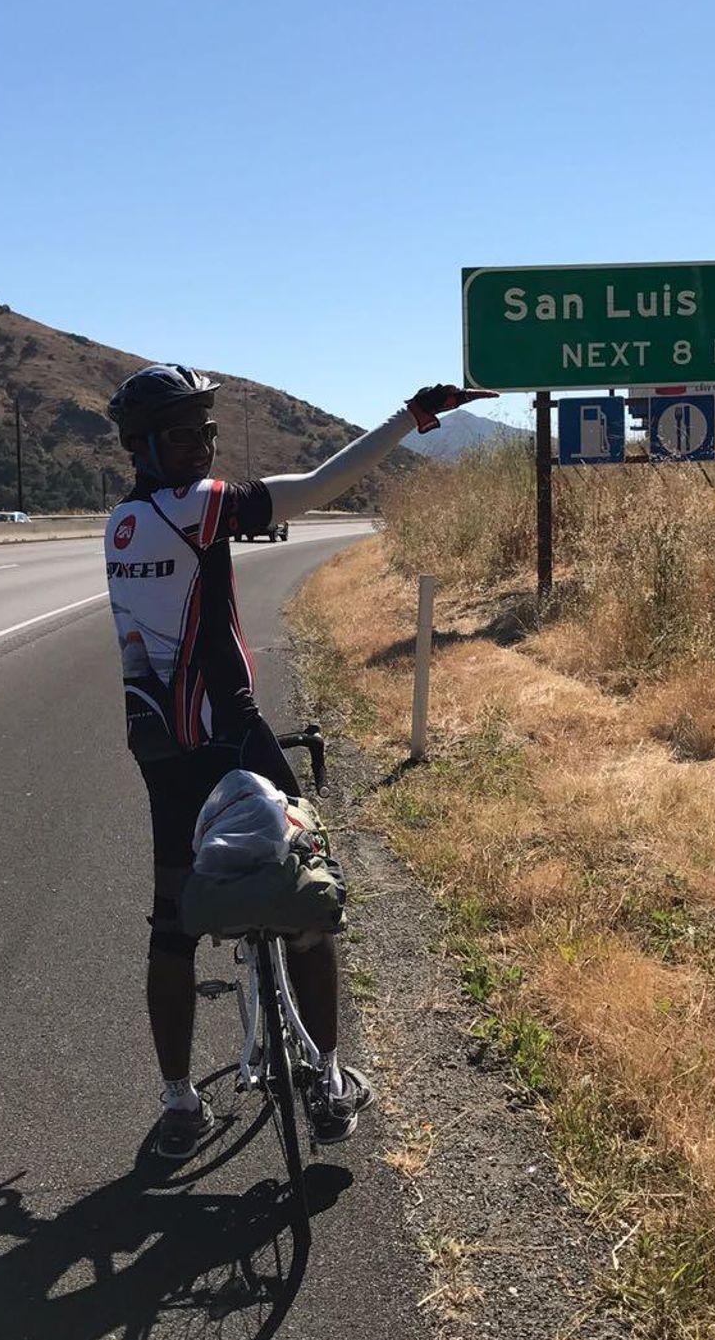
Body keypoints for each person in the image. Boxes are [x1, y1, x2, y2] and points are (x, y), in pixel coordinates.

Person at [103, 364, 493, 1160]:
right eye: (186, 434)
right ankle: (329, 1077)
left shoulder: (119, 524)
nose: (203, 447)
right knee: (310, 901)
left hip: (160, 748)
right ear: (145, 446)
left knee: (172, 925)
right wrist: (412, 415)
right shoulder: (200, 507)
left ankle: (179, 1102)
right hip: (232, 736)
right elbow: (319, 486)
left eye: (208, 432)